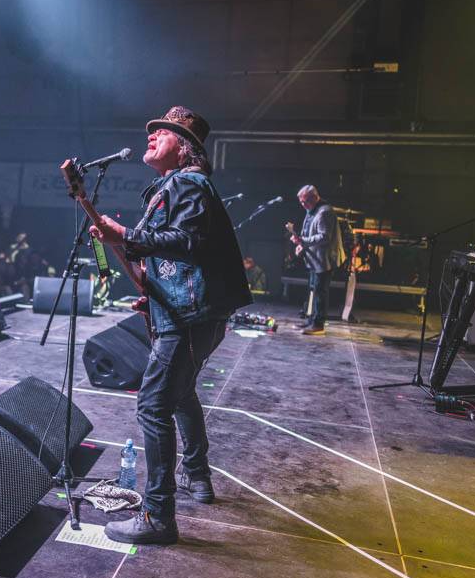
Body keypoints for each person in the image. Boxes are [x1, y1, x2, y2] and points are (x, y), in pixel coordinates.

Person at [90, 106, 252, 545]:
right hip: (189, 314)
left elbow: (188, 242)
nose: (151, 135)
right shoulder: (174, 186)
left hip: (190, 318)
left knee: (152, 404)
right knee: (179, 396)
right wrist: (149, 284)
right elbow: (162, 260)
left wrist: (122, 234)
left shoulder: (186, 182)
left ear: (184, 149)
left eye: (162, 132)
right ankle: (197, 475)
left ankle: (158, 516)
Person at [287, 185, 344, 335]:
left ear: (315, 197)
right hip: (316, 259)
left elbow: (324, 236)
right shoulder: (312, 210)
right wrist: (301, 244)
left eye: (305, 201)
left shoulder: (324, 212)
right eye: (301, 202)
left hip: (324, 259)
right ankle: (311, 321)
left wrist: (303, 240)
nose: (303, 205)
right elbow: (308, 231)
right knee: (314, 290)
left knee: (320, 291)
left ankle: (318, 325)